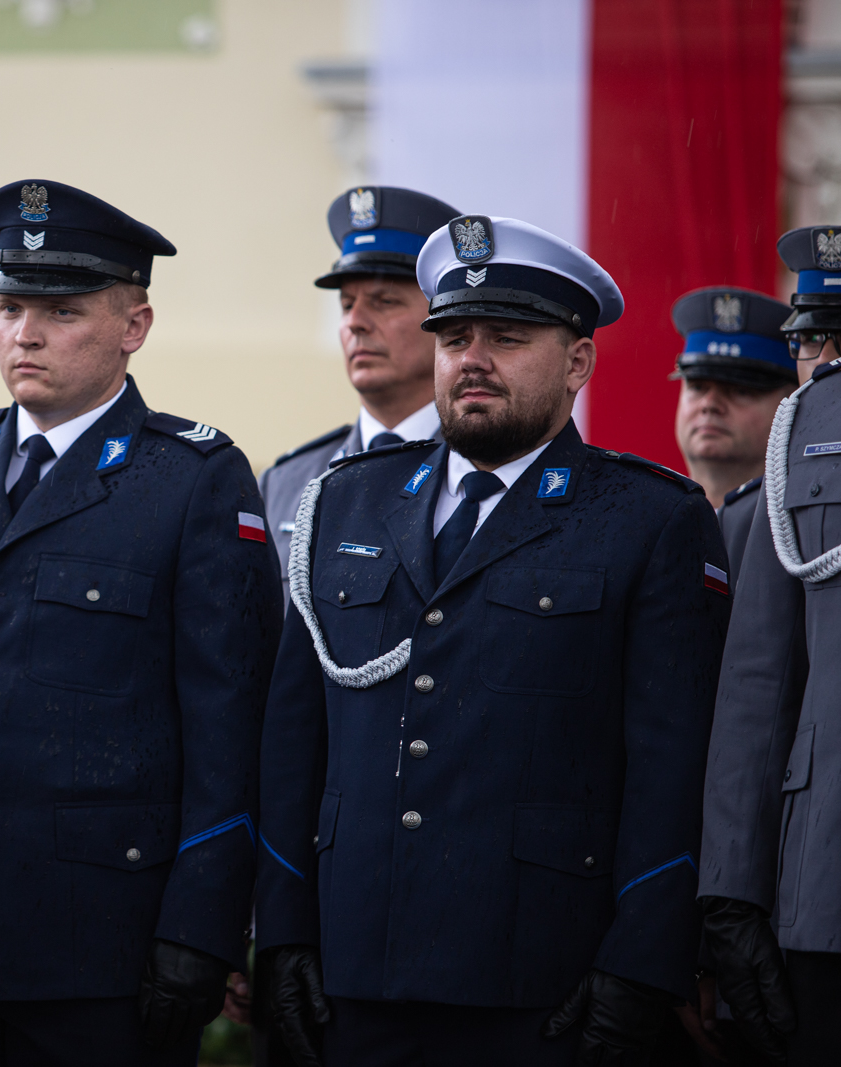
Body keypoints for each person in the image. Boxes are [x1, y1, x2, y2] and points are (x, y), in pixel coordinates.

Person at [0, 179, 283, 1065]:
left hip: (99, 946)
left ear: (134, 325)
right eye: (10, 308)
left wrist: (202, 927)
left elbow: (232, 728)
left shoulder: (192, 477)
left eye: (61, 311)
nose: (25, 334)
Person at [254, 215, 732, 1065]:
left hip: (542, 979)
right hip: (354, 971)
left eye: (507, 338)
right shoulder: (343, 501)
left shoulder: (649, 519)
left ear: (578, 362)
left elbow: (674, 767)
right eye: (454, 337)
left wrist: (640, 963)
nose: (472, 359)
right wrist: (284, 930)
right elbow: (295, 742)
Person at [698, 223, 841, 1066]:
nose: (825, 364)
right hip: (824, 887)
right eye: (811, 341)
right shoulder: (795, 451)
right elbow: (758, 687)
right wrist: (731, 894)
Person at [257, 187, 458, 606]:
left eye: (385, 301)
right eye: (347, 304)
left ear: (444, 320)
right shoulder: (287, 481)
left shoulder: (482, 472)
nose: (356, 322)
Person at [669, 286, 797, 584]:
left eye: (740, 390)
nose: (709, 404)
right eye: (697, 386)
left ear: (792, 401)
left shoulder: (805, 534)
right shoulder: (644, 522)